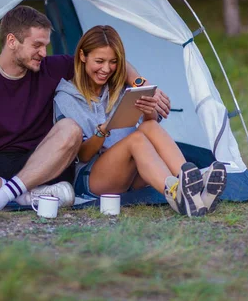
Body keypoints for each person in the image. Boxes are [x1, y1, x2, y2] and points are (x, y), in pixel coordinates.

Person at [0, 6, 171, 211]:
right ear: (12, 41)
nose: (44, 52)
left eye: (46, 45)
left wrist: (143, 84)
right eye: (37, 45)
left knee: (70, 128)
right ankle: (18, 195)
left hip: (42, 166)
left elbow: (108, 59)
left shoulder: (49, 68)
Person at [53, 25, 227, 217]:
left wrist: (149, 111)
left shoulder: (118, 87)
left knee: (149, 125)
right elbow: (82, 156)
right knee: (136, 140)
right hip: (93, 177)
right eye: (99, 61)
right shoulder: (65, 98)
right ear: (82, 56)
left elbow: (147, 130)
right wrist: (103, 130)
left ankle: (190, 185)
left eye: (113, 62)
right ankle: (178, 194)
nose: (106, 69)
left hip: (133, 169)